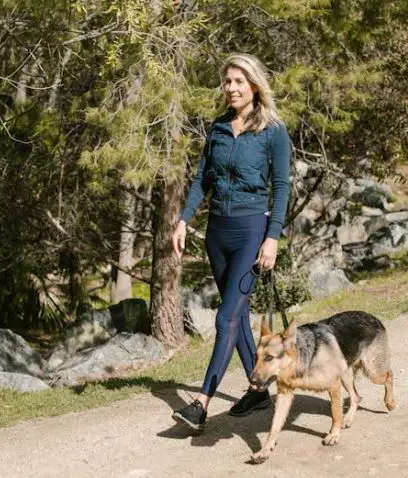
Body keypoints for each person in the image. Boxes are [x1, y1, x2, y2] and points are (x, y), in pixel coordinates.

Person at [170, 53, 291, 431]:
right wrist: (184, 219)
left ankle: (201, 404)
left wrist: (271, 240)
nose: (232, 88)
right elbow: (202, 177)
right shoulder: (219, 128)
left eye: (239, 81)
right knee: (235, 316)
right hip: (218, 234)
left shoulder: (273, 130)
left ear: (254, 85)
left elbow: (282, 188)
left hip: (252, 231)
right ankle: (257, 391)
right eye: (227, 82)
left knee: (225, 317)